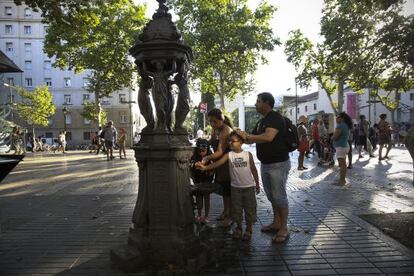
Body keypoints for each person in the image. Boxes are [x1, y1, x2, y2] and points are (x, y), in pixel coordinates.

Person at [237, 92, 291, 243]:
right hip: (267, 164)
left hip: (278, 164)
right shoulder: (262, 121)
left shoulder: (275, 118)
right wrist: (240, 135)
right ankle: (276, 222)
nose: (255, 104)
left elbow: (268, 137)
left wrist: (248, 137)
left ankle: (284, 228)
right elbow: (250, 139)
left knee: (279, 196)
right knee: (271, 195)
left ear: (267, 103)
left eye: (258, 101)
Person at [197, 131, 259, 241]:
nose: (230, 143)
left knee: (249, 209)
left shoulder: (247, 155)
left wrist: (257, 184)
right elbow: (218, 163)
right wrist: (206, 167)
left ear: (241, 142)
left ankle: (249, 229)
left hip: (249, 187)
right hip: (235, 188)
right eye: (229, 141)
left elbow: (253, 169)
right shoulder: (229, 155)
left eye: (233, 141)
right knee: (236, 210)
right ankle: (239, 228)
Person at [201, 108, 233, 226]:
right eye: (210, 121)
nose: (212, 124)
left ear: (222, 119)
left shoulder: (225, 131)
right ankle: (225, 211)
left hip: (227, 163)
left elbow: (220, 151)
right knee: (224, 189)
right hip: (220, 164)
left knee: (229, 189)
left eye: (214, 121)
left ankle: (230, 216)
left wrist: (207, 158)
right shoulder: (216, 129)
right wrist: (201, 145)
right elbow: (211, 142)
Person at [190, 139, 215, 224]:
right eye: (200, 150)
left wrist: (209, 170)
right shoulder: (194, 157)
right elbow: (191, 165)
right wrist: (194, 165)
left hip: (207, 181)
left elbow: (213, 167)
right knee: (198, 198)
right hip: (198, 181)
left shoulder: (210, 157)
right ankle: (200, 215)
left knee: (207, 198)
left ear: (207, 150)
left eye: (204, 150)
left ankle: (206, 216)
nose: (202, 152)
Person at [333, 112, 353, 186]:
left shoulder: (340, 126)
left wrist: (331, 137)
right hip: (344, 145)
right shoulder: (345, 125)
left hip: (341, 146)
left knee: (342, 164)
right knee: (342, 164)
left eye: (338, 117)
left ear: (342, 118)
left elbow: (335, 137)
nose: (336, 118)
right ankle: (341, 180)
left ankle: (342, 181)